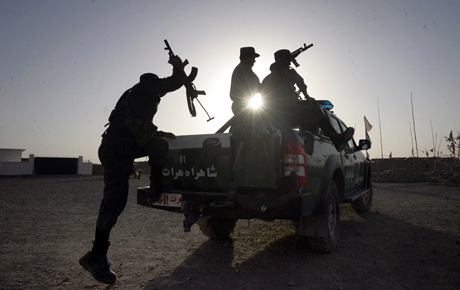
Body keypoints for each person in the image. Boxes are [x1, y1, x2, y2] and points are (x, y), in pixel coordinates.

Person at [79, 55, 185, 284]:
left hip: (122, 144)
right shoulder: (145, 86)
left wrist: (157, 134)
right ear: (150, 84)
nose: (159, 95)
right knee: (114, 202)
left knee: (159, 145)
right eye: (158, 91)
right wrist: (177, 67)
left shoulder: (134, 98)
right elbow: (174, 83)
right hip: (118, 147)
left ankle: (156, 188)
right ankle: (95, 255)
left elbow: (133, 128)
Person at [261, 49, 354, 151]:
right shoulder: (271, 77)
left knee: (314, 106)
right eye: (288, 60)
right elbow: (265, 97)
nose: (289, 63)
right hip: (278, 116)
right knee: (313, 110)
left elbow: (301, 83)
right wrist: (274, 76)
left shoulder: (290, 73)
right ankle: (334, 139)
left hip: (289, 111)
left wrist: (307, 97)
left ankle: (327, 139)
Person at [229, 46, 261, 116]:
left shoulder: (244, 68)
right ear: (248, 56)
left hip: (243, 104)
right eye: (253, 58)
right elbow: (256, 86)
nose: (254, 61)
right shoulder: (244, 68)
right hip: (243, 105)